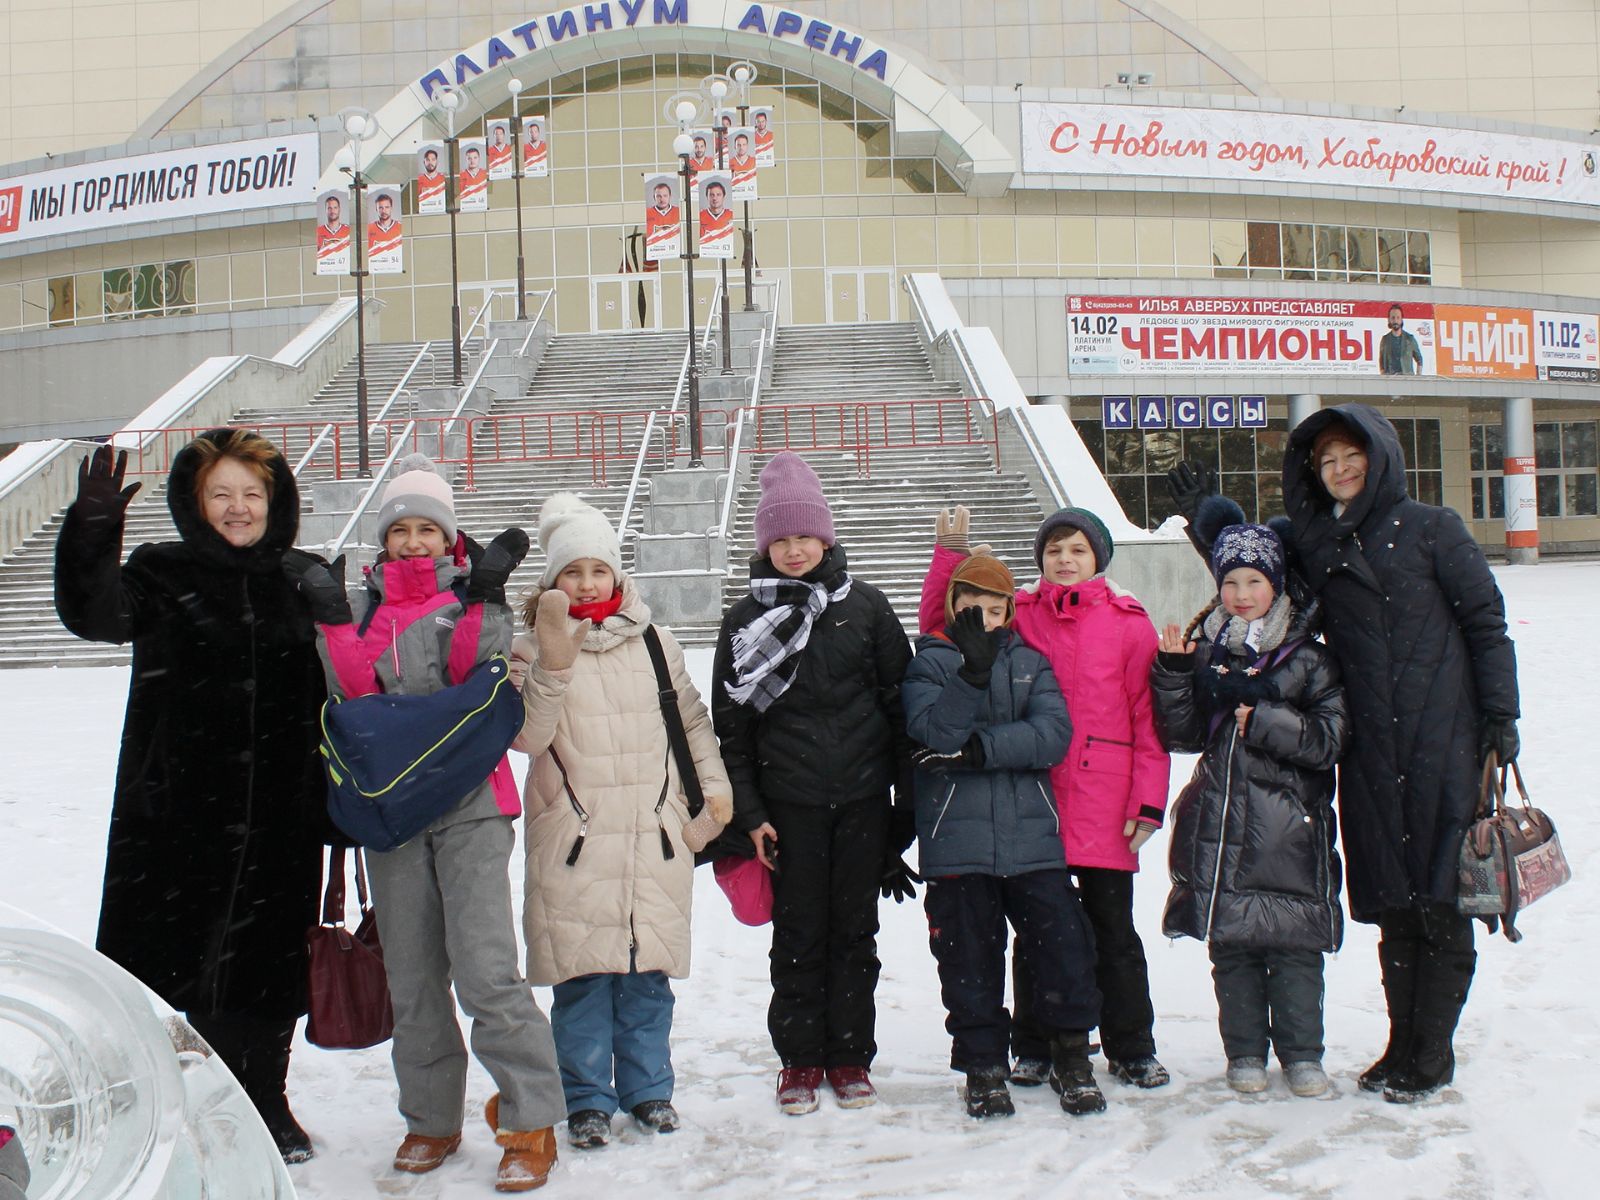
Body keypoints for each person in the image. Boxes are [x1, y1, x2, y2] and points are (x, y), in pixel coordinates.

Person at [1168, 402, 1520, 1103]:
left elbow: (1486, 621)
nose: (1340, 469)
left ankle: (1432, 1051)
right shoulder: (1320, 541)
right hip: (1366, 752)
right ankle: (1401, 1043)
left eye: (1349, 455)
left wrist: (1500, 715)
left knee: (1441, 898)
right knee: (1394, 900)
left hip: (1441, 740)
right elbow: (1258, 580)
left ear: (1379, 455)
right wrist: (1208, 519)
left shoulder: (1433, 530)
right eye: (1325, 460)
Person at [286, 454, 563, 1191]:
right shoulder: (371, 608)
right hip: (395, 811)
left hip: (471, 803)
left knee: (485, 971)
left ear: (449, 538)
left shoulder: (467, 598)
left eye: (426, 530)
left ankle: (529, 1118)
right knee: (411, 977)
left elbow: (478, 677)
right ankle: (430, 1118)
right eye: (400, 530)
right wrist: (335, 622)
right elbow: (354, 691)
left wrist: (485, 599)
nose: (413, 542)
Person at [53, 431, 331, 1163]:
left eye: (252, 493)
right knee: (174, 964)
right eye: (221, 494)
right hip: (178, 810)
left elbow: (353, 680)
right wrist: (91, 530)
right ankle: (173, 1098)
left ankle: (266, 1099)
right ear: (195, 502)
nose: (238, 508)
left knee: (269, 970)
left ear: (276, 502)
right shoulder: (159, 573)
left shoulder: (305, 578)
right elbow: (94, 615)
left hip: (282, 811)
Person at [921, 506, 1171, 1094]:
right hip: (1034, 799)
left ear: (1099, 559)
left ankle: (1131, 1045)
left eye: (1078, 550)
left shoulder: (1129, 622)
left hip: (1105, 801)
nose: (1065, 560)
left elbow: (1146, 718)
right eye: (1055, 549)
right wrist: (950, 551)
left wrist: (1149, 800)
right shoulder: (1022, 612)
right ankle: (1035, 1046)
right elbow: (944, 620)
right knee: (1043, 930)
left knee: (1111, 929)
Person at [511, 494, 732, 1151]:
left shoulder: (657, 643)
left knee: (646, 977)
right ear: (552, 580)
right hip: (576, 838)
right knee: (583, 980)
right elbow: (528, 736)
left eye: (597, 570)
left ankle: (648, 1090)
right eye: (571, 571)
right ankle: (584, 1098)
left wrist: (713, 796)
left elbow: (690, 723)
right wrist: (552, 661)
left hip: (652, 833)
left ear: (617, 574)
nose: (585, 583)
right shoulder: (529, 646)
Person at [713, 452, 913, 1116]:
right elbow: (732, 731)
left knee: (855, 934)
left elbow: (900, 709)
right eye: (781, 539)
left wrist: (899, 814)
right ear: (765, 544)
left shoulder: (869, 609)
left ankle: (851, 1055)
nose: (794, 550)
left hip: (860, 802)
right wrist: (751, 814)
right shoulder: (744, 621)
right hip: (788, 808)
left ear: (825, 538)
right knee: (798, 935)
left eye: (804, 537)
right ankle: (799, 1060)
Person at [1150, 513, 1347, 1099]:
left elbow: (1329, 740)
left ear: (1276, 586)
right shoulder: (1207, 650)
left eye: (1253, 583)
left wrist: (1265, 721)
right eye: (1230, 583)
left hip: (1287, 829)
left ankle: (1303, 1055)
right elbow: (1183, 736)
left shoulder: (1308, 658)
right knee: (1231, 949)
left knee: (1293, 951)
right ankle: (1243, 1054)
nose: (1241, 596)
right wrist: (1174, 673)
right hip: (1219, 824)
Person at [901, 554, 1103, 1119]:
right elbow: (935, 732)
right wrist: (970, 674)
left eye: (995, 609)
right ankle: (983, 1067)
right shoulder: (929, 666)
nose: (984, 619)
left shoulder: (1030, 664)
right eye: (972, 608)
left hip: (1032, 840)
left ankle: (1072, 1058)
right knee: (968, 959)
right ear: (952, 607)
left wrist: (980, 749)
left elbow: (1052, 735)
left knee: (1062, 948)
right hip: (956, 844)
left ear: (1010, 612)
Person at [1379, 303, 1423, 375]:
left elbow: (1419, 359)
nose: (1395, 320)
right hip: (1390, 380)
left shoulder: (1409, 339)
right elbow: (1381, 362)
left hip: (1407, 380)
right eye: (1393, 318)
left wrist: (1418, 376)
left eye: (1398, 317)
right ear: (1389, 320)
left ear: (1402, 319)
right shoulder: (1385, 340)